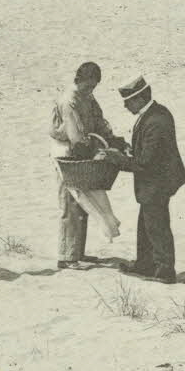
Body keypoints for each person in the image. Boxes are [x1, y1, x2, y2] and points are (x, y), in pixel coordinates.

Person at [101, 75, 185, 283]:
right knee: (147, 222)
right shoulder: (155, 113)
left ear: (140, 98)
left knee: (156, 225)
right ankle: (145, 264)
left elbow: (146, 162)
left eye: (128, 101)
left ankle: (165, 269)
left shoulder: (155, 120)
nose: (125, 106)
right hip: (156, 180)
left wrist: (117, 159)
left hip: (157, 182)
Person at [50, 62, 130, 270]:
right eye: (88, 86)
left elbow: (99, 120)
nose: (90, 90)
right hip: (67, 153)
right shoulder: (69, 100)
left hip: (81, 150)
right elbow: (74, 135)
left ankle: (78, 252)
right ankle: (66, 257)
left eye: (93, 87)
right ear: (79, 80)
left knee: (84, 204)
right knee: (70, 204)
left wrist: (112, 139)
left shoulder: (87, 97)